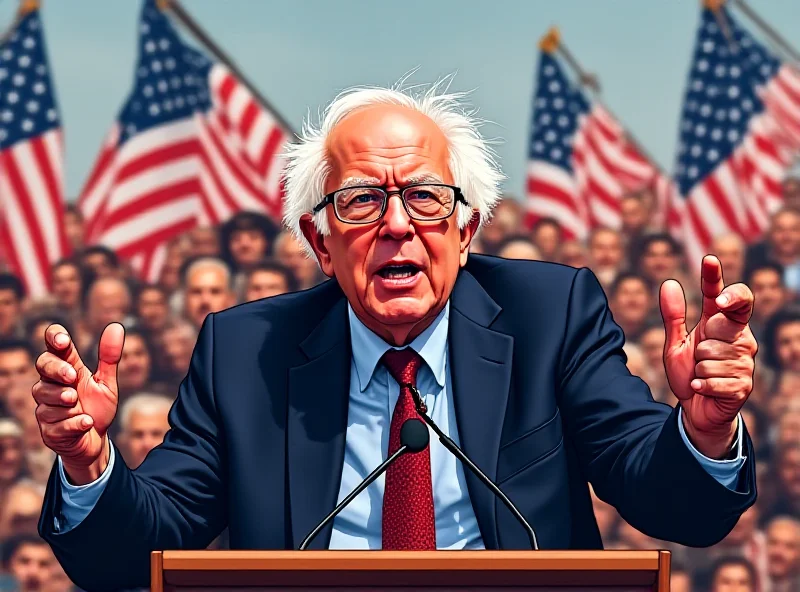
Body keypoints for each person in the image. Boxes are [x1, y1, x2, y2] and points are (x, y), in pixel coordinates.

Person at [33, 83, 757, 590]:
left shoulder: (550, 315)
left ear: (466, 230)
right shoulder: (244, 353)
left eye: (424, 196)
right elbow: (136, 549)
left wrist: (703, 430)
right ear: (320, 243)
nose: (397, 224)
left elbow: (672, 506)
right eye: (361, 201)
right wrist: (89, 464)